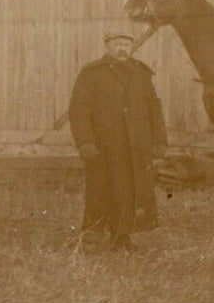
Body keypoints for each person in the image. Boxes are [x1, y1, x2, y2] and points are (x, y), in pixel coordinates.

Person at [69, 30, 168, 251]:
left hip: (136, 148)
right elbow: (78, 110)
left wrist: (160, 140)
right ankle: (91, 239)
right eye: (117, 44)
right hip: (104, 147)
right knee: (100, 191)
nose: (122, 49)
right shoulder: (92, 73)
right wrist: (85, 142)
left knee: (129, 193)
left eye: (126, 44)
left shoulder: (141, 73)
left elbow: (154, 108)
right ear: (107, 46)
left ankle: (121, 237)